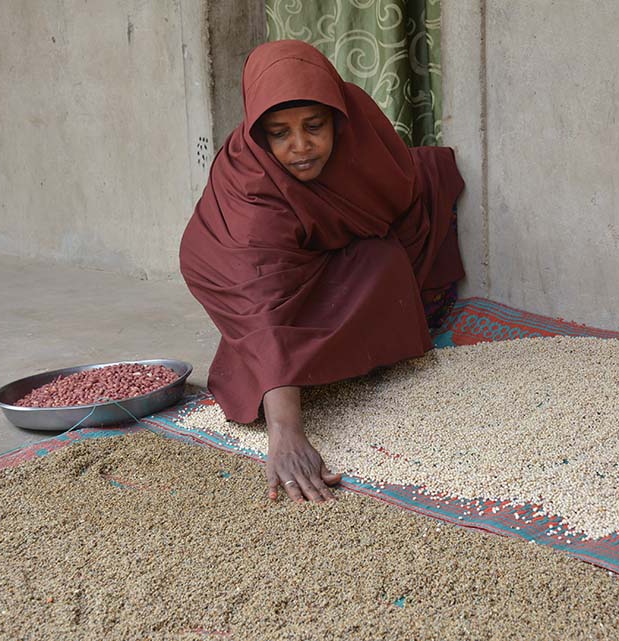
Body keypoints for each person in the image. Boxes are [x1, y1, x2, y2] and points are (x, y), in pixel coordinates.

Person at [179, 40, 464, 504]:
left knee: (390, 258)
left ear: (339, 116)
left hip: (314, 255)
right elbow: (263, 303)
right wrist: (285, 434)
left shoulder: (361, 132)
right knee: (267, 343)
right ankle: (276, 378)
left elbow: (398, 190)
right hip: (246, 277)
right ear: (258, 135)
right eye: (279, 134)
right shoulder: (251, 189)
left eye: (314, 126)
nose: (301, 147)